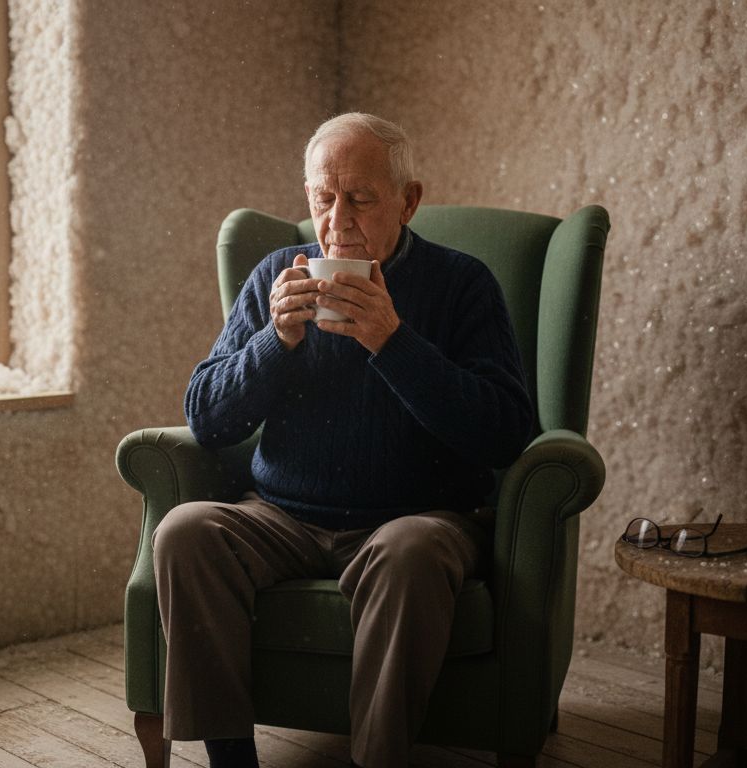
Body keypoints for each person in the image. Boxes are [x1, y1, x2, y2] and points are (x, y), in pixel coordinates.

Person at [153, 113, 535, 768]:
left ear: (409, 201)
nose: (338, 221)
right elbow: (207, 418)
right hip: (282, 518)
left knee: (412, 551)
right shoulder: (278, 274)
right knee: (185, 533)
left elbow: (505, 433)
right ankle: (229, 759)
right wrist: (275, 343)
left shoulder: (462, 283)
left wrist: (394, 342)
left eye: (360, 198)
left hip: (414, 517)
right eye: (322, 199)